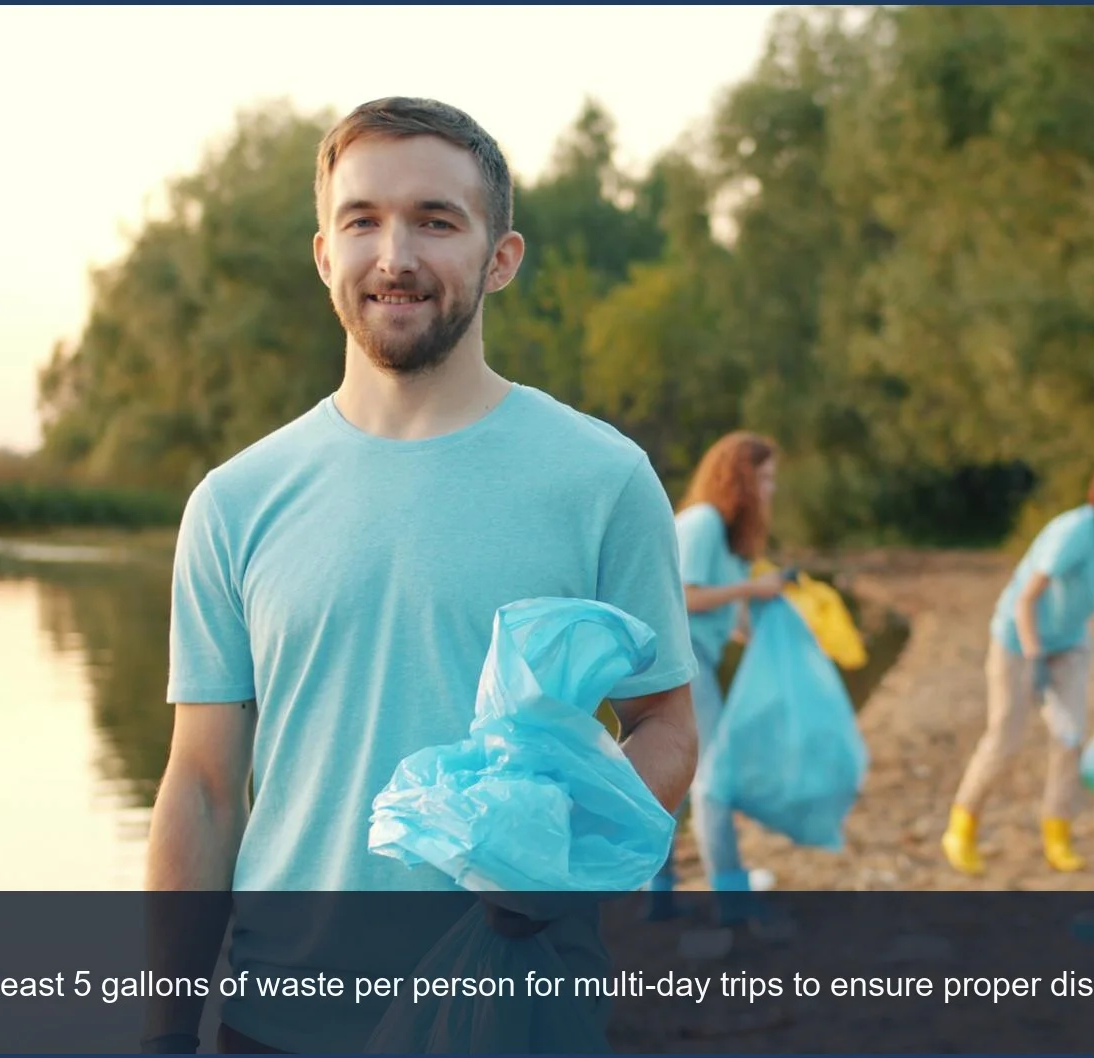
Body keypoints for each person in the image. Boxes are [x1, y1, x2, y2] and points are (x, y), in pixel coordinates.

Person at [139, 97, 699, 1055]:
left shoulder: (602, 478)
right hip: (275, 1023)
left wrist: (553, 862)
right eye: (362, 220)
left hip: (521, 1017)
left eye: (436, 220)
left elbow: (666, 729)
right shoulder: (236, 501)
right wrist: (157, 1032)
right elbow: (200, 785)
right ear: (325, 256)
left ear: (500, 257)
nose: (394, 254)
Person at [941, 453, 1094, 877]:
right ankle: (961, 826)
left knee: (1070, 738)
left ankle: (1057, 832)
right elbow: (1027, 597)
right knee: (1005, 738)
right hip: (1019, 639)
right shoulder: (1075, 532)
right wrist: (1034, 655)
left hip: (1071, 642)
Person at [644, 431, 793, 936]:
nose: (771, 489)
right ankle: (733, 902)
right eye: (765, 478)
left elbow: (725, 612)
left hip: (694, 658)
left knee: (678, 786)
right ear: (741, 478)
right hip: (675, 663)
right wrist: (753, 587)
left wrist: (760, 623)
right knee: (715, 779)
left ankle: (658, 898)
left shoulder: (727, 534)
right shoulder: (704, 521)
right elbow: (682, 597)